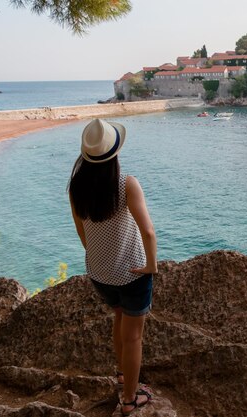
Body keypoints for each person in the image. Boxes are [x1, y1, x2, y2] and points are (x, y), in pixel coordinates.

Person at [68, 118, 157, 416]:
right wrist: (151, 266)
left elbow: (81, 231)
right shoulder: (126, 184)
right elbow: (148, 232)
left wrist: (97, 258)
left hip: (99, 274)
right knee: (134, 336)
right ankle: (130, 398)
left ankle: (122, 375)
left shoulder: (76, 186)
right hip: (132, 274)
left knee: (119, 318)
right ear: (115, 152)